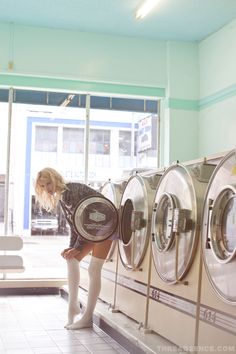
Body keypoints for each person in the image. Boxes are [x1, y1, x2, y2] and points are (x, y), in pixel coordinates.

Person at [35, 167, 115, 330]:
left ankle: (87, 317)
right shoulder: (64, 197)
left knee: (94, 269)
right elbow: (76, 226)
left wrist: (77, 247)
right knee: (71, 259)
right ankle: (73, 307)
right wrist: (71, 248)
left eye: (48, 183)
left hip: (107, 223)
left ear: (56, 179)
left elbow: (84, 222)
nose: (47, 189)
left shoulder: (71, 191)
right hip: (94, 227)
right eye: (43, 187)